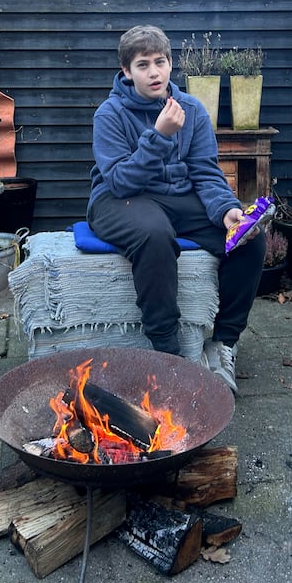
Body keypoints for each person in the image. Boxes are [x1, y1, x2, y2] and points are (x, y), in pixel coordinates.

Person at [87, 24, 266, 392]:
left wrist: (226, 211)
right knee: (155, 234)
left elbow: (205, 172)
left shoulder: (192, 110)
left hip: (178, 198)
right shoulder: (109, 114)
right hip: (118, 199)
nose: (154, 72)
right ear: (126, 71)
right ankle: (169, 355)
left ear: (171, 64)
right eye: (142, 65)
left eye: (160, 62)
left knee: (249, 236)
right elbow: (120, 181)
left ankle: (223, 344)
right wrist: (159, 135)